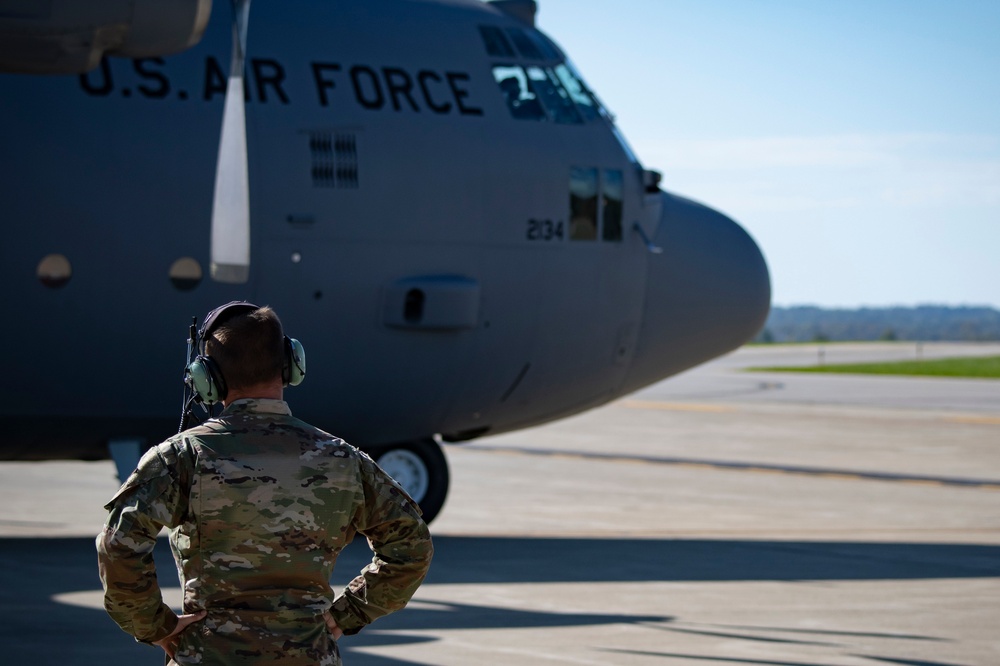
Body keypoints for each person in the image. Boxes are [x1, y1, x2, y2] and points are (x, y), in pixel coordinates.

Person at [96, 302, 433, 665]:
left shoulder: (182, 457)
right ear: (290, 365)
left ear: (208, 378)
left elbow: (119, 545)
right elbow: (411, 546)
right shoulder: (343, 459)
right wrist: (346, 615)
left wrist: (155, 625)